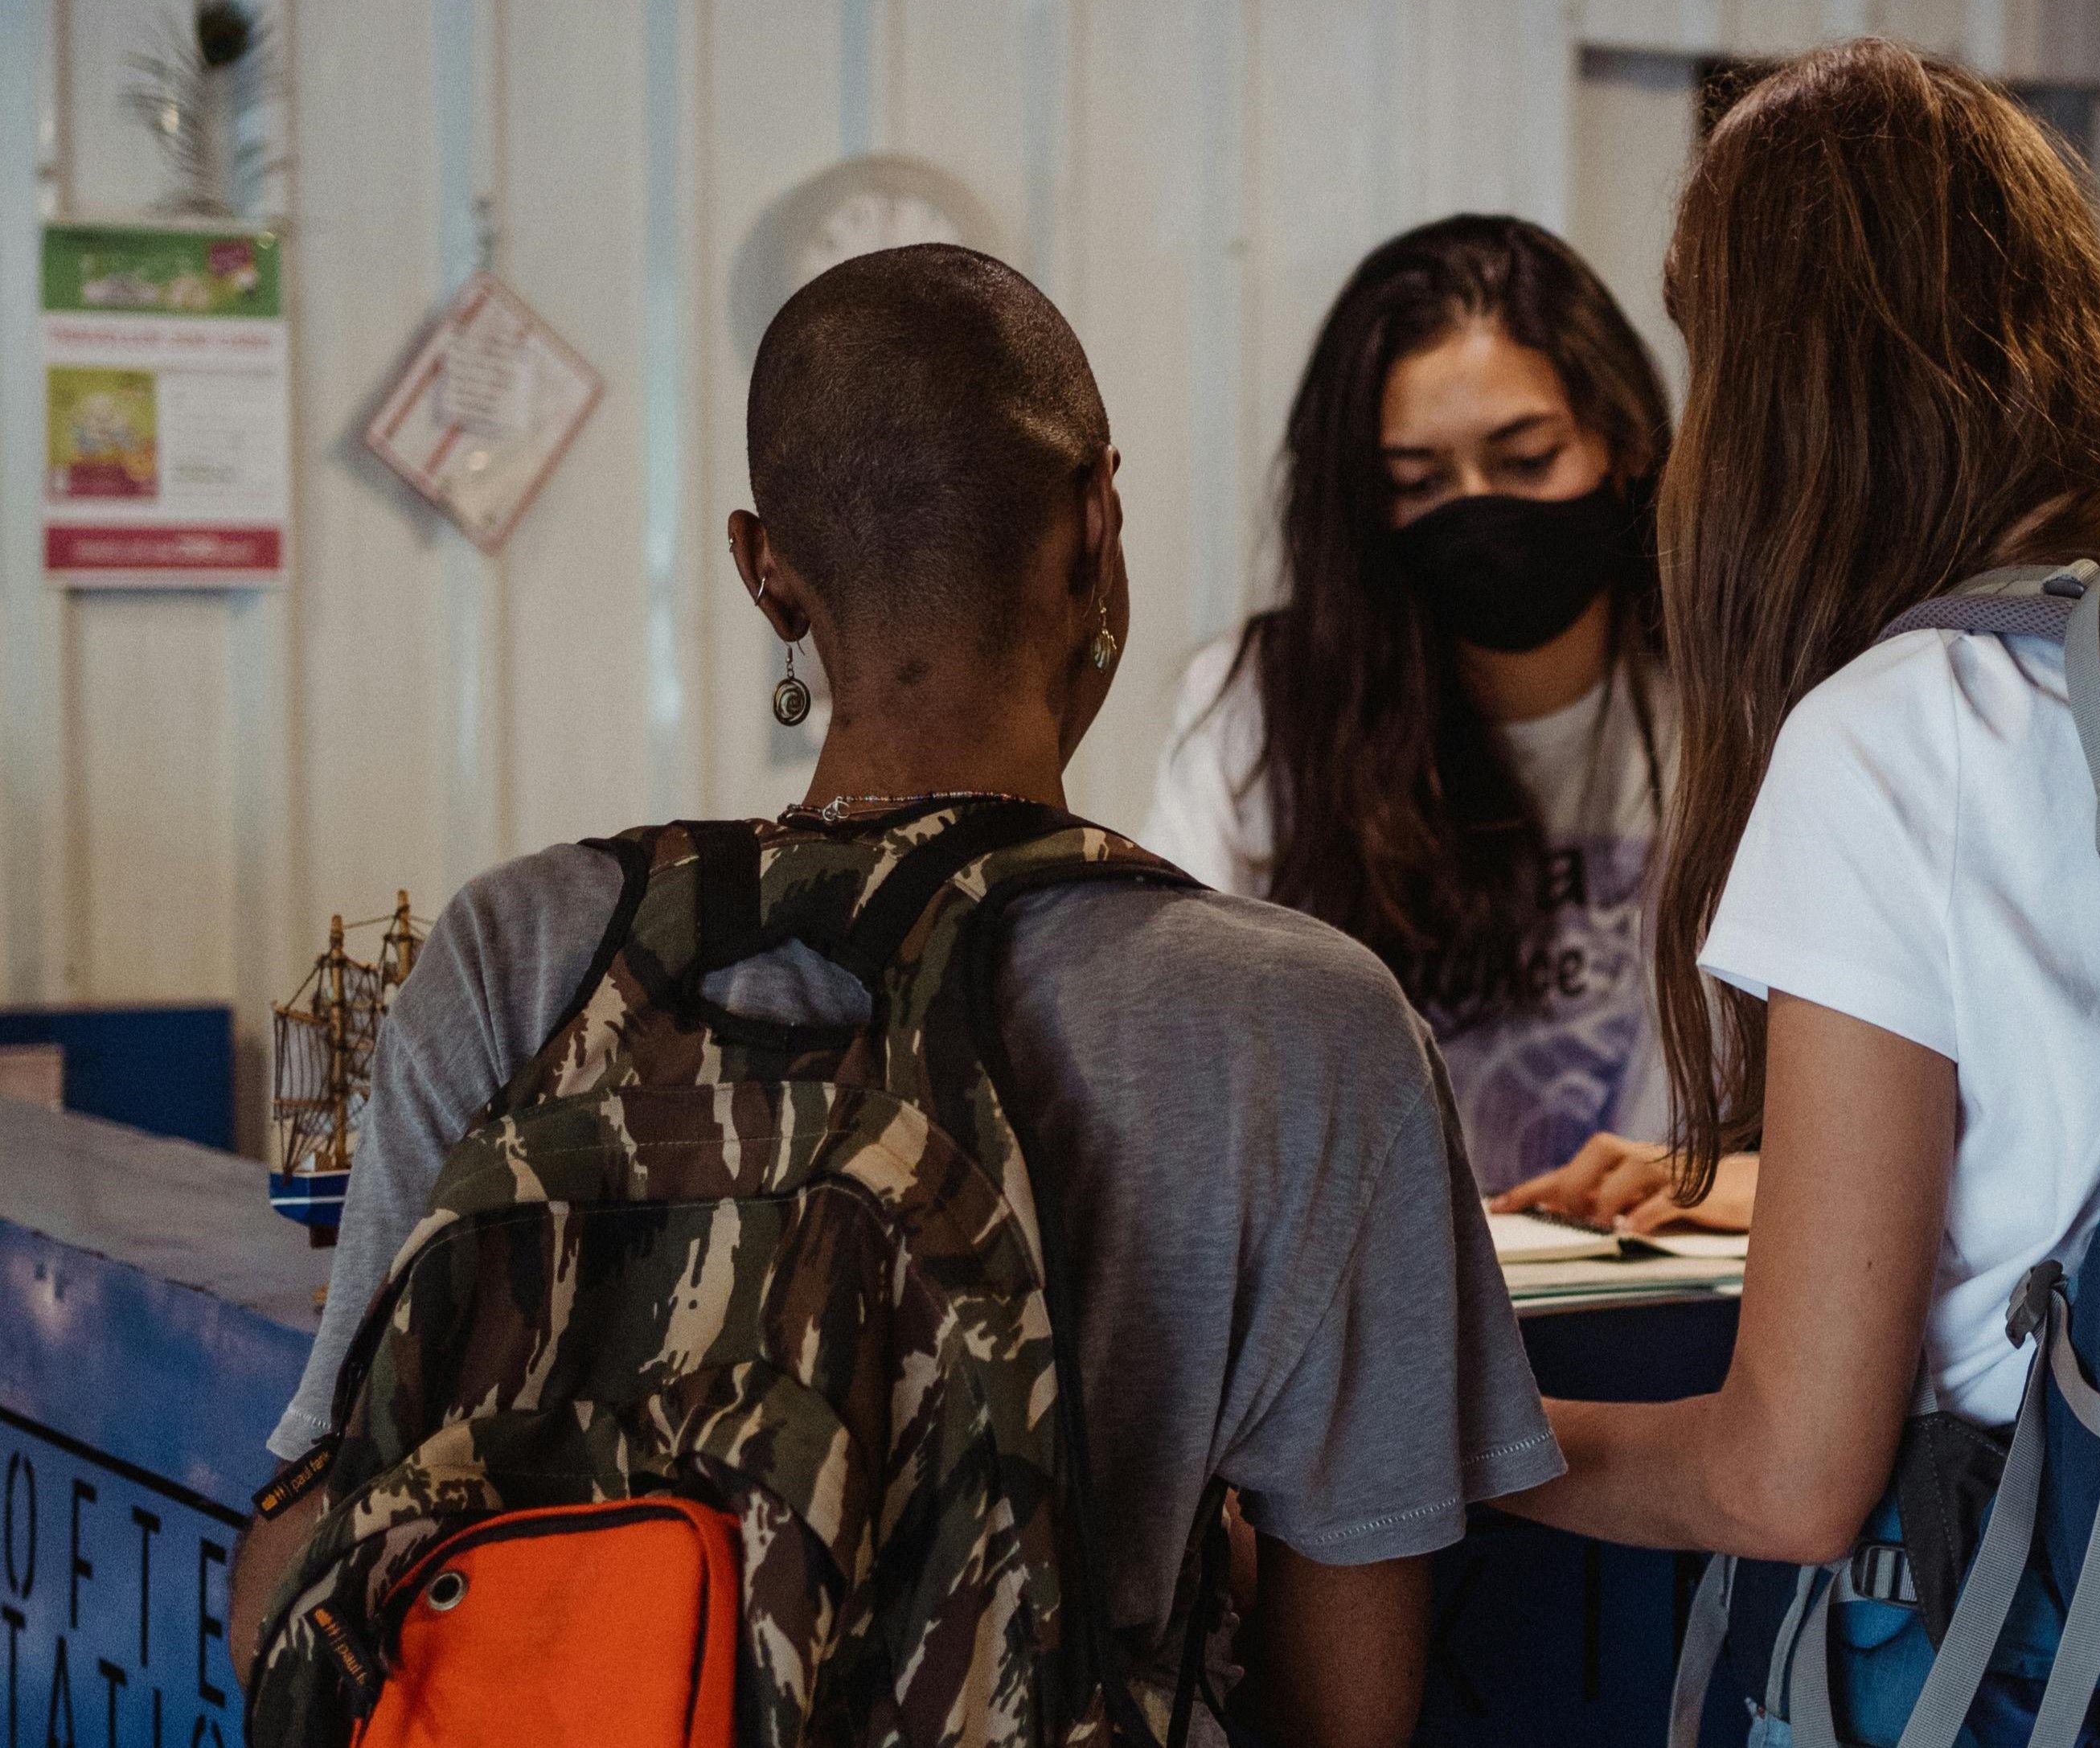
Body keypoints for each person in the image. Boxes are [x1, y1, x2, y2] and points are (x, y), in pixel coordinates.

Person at [231, 244, 1561, 1748]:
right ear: (1095, 520)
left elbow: (299, 1577)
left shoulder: (521, 952)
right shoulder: (1304, 1028)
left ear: (762, 566)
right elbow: (1347, 1708)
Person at [1492, 41, 2100, 1742]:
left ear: (1782, 389)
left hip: (2070, 1658)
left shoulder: (1898, 730)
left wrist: (1460, 1447)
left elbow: (1787, 1477)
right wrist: (1772, 1190)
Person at [1141, 215, 1708, 1212]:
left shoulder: (1725, 706)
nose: (1479, 508)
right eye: (1420, 483)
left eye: (1527, 459)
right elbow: (1177, 1050)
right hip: (1375, 1316)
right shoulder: (1262, 708)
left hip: (1656, 1297)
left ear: (1620, 439)